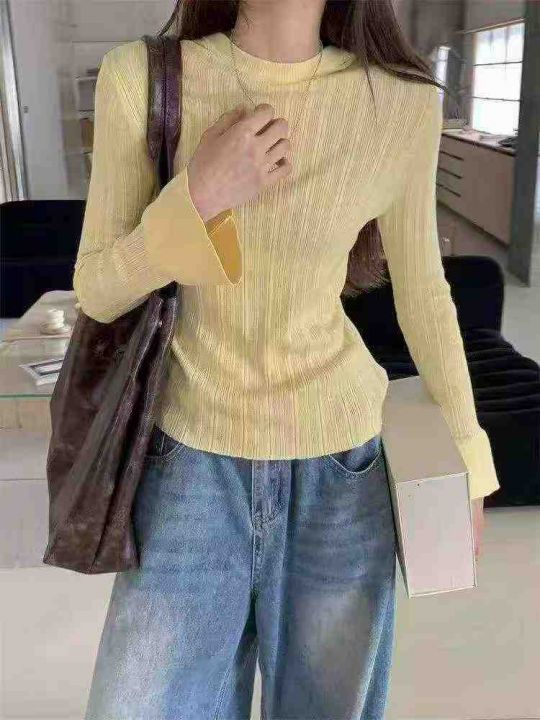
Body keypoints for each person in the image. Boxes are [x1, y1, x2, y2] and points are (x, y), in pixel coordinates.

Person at [78, 1, 499, 718]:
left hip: (343, 473)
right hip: (188, 466)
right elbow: (97, 288)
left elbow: (425, 293)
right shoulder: (141, 80)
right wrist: (199, 196)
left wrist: (471, 462)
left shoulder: (400, 104)